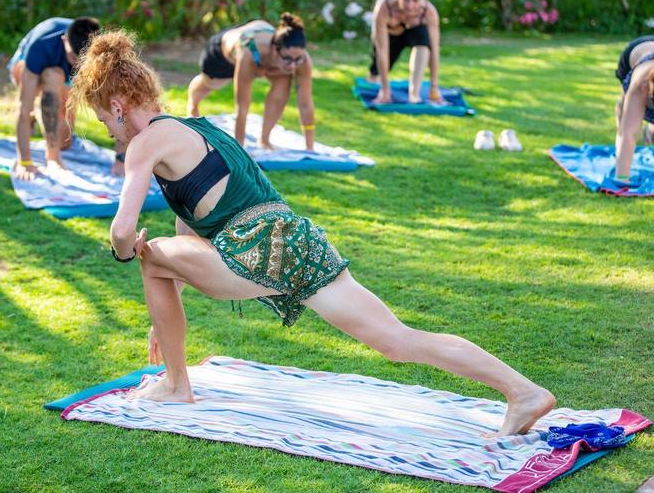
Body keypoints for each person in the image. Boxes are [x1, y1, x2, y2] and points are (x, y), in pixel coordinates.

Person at [70, 28, 556, 437]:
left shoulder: (145, 144)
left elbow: (124, 230)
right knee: (396, 340)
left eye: (103, 122)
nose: (110, 134)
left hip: (256, 247)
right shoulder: (200, 130)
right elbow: (189, 239)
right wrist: (164, 308)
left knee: (148, 252)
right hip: (298, 241)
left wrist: (125, 251)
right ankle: (523, 391)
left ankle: (177, 384)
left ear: (117, 106)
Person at [8, 16, 125, 180]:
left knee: (64, 143)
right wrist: (25, 162)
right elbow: (23, 107)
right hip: (27, 69)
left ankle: (42, 113)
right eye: (74, 58)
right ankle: (52, 158)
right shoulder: (41, 45)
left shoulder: (103, 53)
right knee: (53, 75)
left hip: (63, 81)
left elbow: (119, 108)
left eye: (84, 61)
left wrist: (122, 159)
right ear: (64, 41)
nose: (78, 65)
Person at [186, 13, 315, 151]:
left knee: (283, 81)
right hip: (224, 54)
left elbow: (305, 104)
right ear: (274, 49)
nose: (293, 66)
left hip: (262, 51)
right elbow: (242, 106)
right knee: (213, 83)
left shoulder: (301, 60)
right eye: (287, 59)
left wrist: (310, 148)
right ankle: (192, 105)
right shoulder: (249, 51)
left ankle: (265, 139)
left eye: (297, 60)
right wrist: (239, 149)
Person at [369, 0, 442, 105]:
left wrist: (434, 88)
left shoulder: (428, 12)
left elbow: (435, 50)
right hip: (390, 38)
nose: (410, 5)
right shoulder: (385, 6)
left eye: (415, 0)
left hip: (413, 34)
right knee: (376, 73)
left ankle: (414, 93)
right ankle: (375, 77)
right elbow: (382, 51)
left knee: (424, 43)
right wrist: (385, 91)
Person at [613, 35, 654, 183]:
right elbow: (628, 133)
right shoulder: (640, 84)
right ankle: (620, 153)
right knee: (627, 111)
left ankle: (651, 128)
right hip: (636, 53)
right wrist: (622, 178)